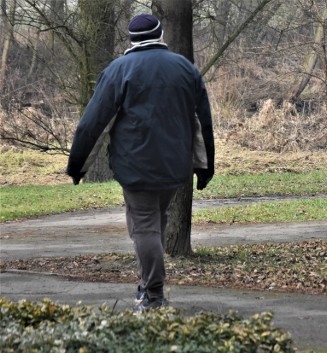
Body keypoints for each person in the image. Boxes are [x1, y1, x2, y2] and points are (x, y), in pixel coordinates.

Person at [66, 14, 215, 310]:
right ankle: (147, 286)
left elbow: (93, 123)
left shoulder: (119, 70)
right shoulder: (185, 69)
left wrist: (77, 164)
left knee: (143, 227)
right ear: (160, 36)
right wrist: (204, 167)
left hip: (136, 168)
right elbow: (202, 122)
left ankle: (154, 295)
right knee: (154, 223)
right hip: (175, 167)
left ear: (132, 41)